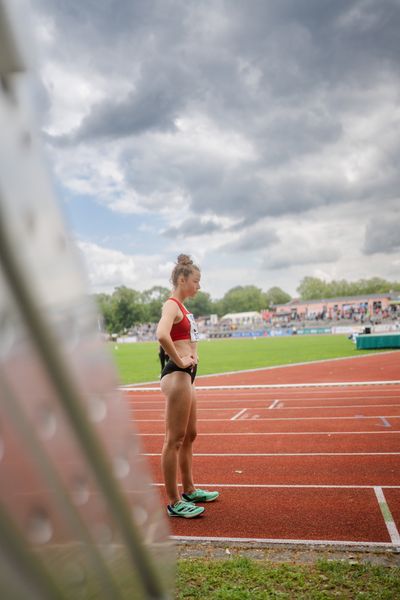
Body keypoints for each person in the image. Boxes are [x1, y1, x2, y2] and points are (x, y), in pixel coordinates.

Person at [156, 254, 219, 518]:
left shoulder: (184, 309)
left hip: (187, 376)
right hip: (177, 375)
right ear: (182, 280)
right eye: (196, 281)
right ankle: (173, 501)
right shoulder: (171, 305)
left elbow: (189, 339)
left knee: (190, 434)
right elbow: (161, 334)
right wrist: (180, 359)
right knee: (174, 439)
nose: (199, 286)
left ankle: (189, 489)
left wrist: (192, 355)